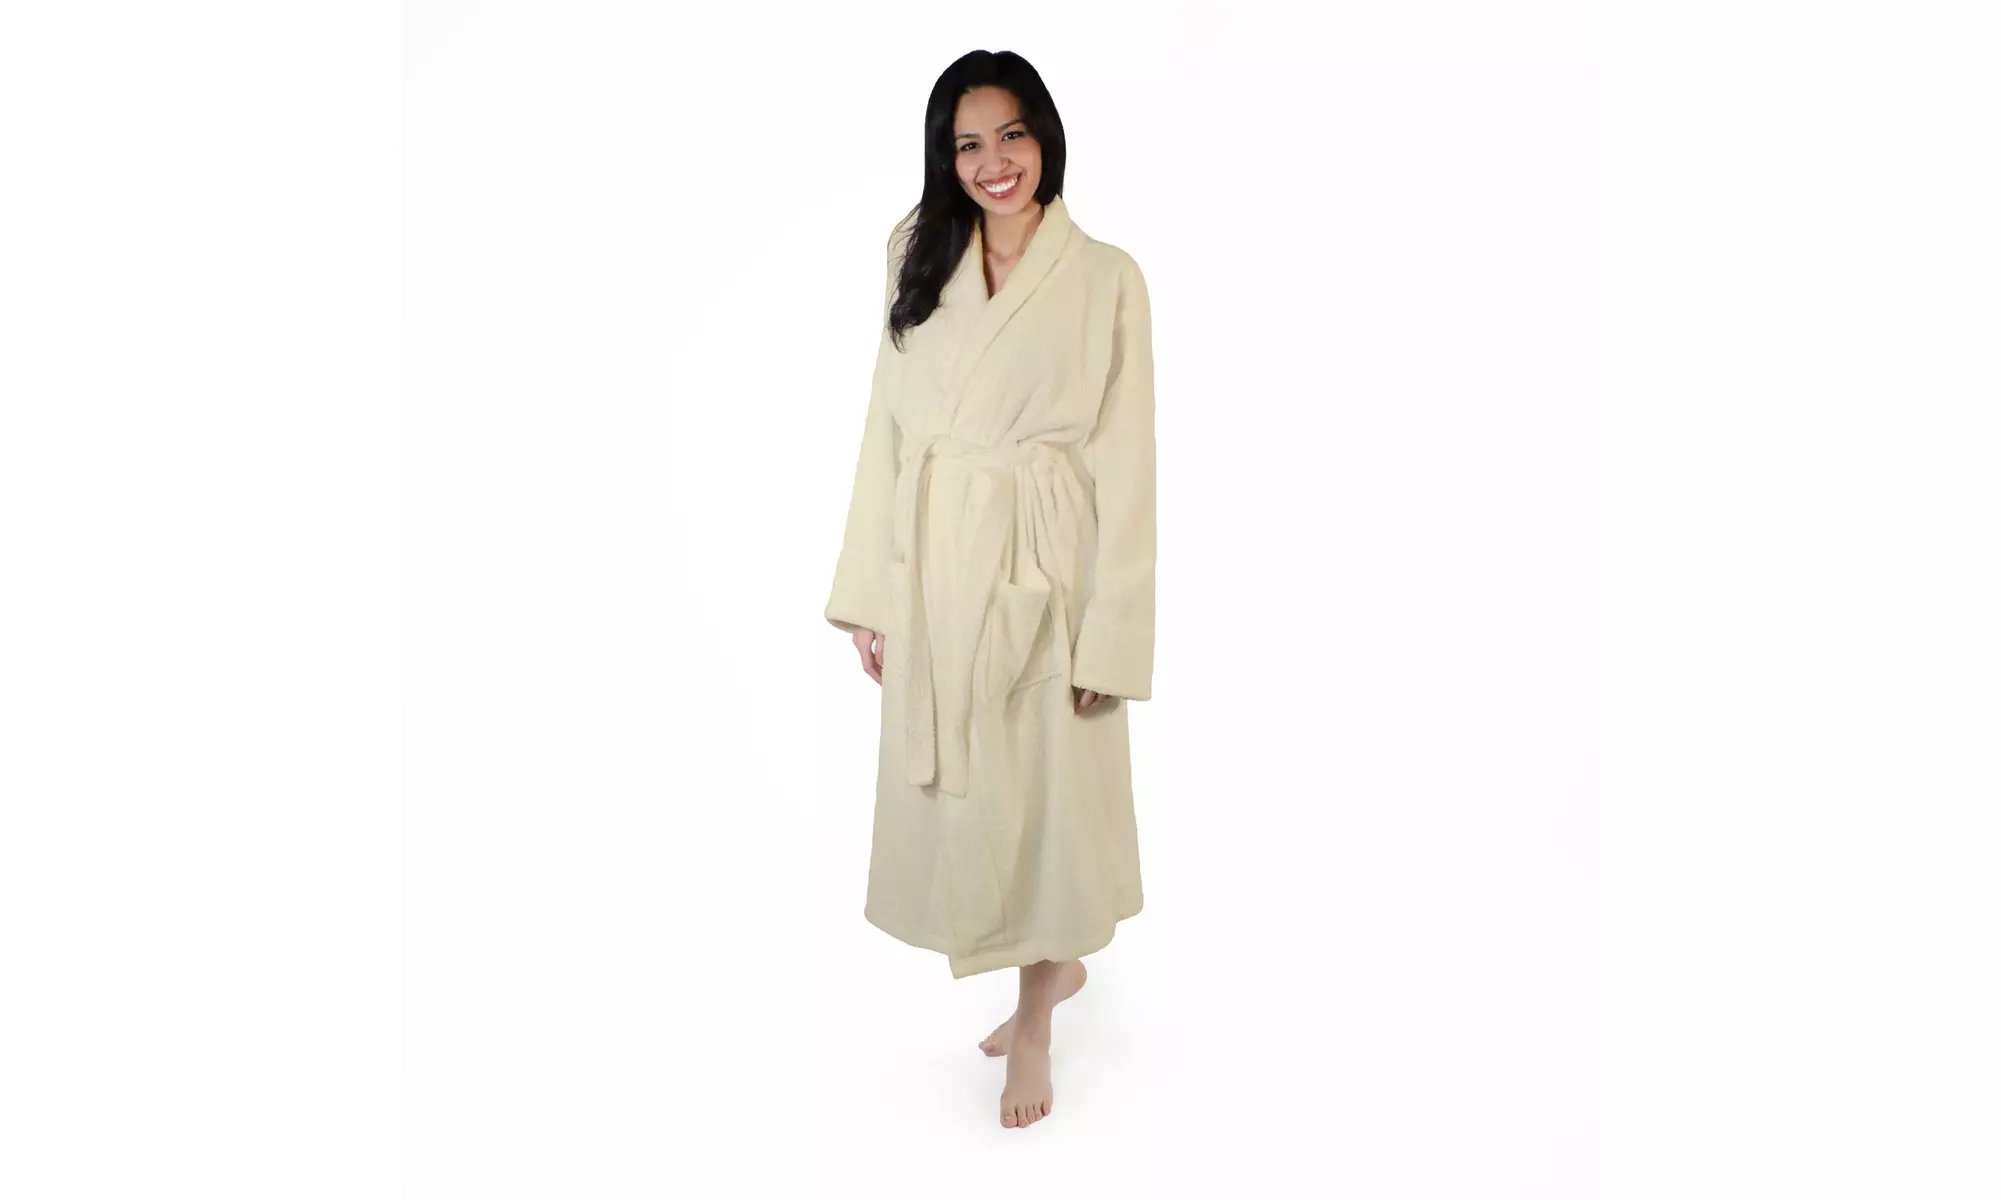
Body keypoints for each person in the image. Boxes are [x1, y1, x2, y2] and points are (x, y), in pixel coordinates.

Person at [824, 48, 1156, 1130]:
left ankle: (1038, 1014)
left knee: (1047, 797)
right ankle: (1052, 969)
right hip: (938, 563)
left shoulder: (1105, 277)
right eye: (967, 143)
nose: (993, 162)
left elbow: (1128, 462)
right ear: (945, 156)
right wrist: (872, 591)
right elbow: (887, 426)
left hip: (1050, 564)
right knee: (975, 797)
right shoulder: (916, 251)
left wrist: (1111, 634)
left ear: (1044, 134)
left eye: (1011, 134)